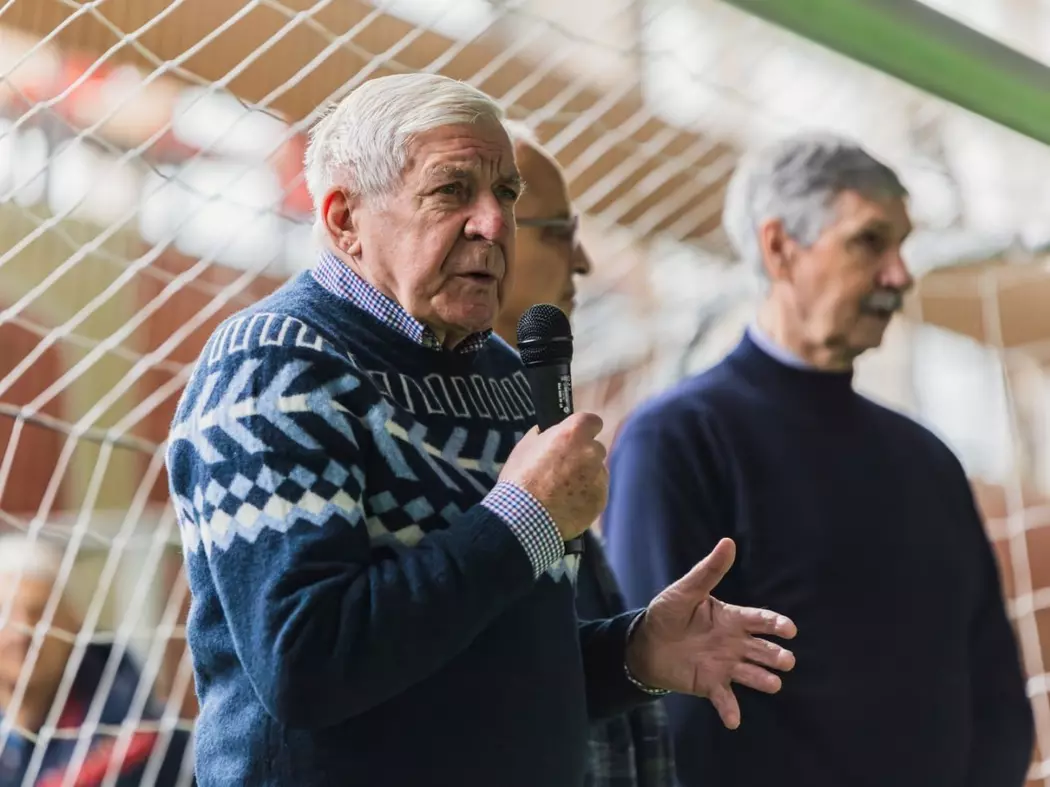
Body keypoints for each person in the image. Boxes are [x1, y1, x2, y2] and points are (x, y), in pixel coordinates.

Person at [164, 73, 798, 787]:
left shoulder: (503, 375)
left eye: (506, 194)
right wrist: (521, 519)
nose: (495, 224)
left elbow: (483, 665)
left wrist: (635, 653)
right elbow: (307, 666)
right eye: (452, 190)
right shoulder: (276, 365)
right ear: (344, 220)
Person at [602, 131, 1035, 787]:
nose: (899, 274)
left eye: (902, 245)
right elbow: (669, 706)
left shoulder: (929, 461)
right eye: (869, 241)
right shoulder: (679, 439)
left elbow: (997, 693)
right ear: (779, 247)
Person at [496, 120, 675, 787]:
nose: (583, 262)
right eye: (557, 232)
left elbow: (543, 669)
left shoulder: (528, 419)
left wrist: (638, 653)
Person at [0, 535, 190, 786]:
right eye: (5, 614)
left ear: (74, 623)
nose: (21, 632)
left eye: (40, 613)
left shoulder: (142, 740)